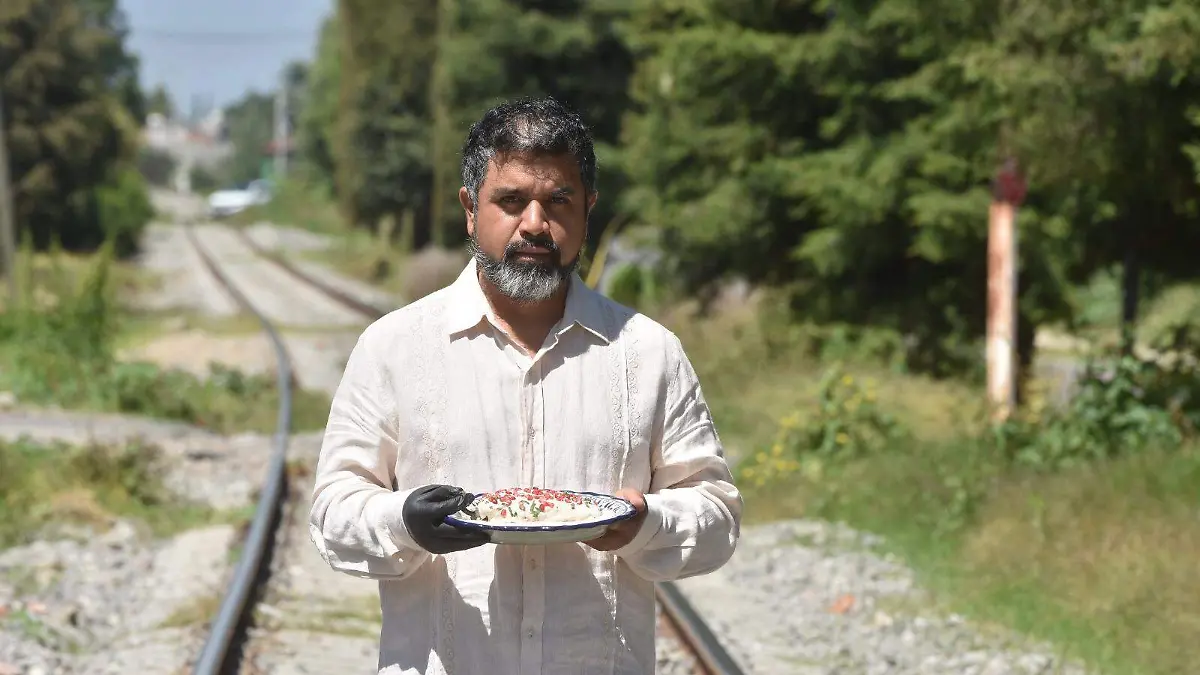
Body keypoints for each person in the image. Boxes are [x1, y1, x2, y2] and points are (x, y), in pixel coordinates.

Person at [309, 96, 742, 675]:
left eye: (558, 200)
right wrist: (405, 523)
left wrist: (647, 524)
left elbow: (718, 517)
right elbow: (333, 515)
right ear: (470, 209)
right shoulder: (396, 347)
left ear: (588, 208)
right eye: (511, 201)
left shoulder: (647, 352)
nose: (535, 224)